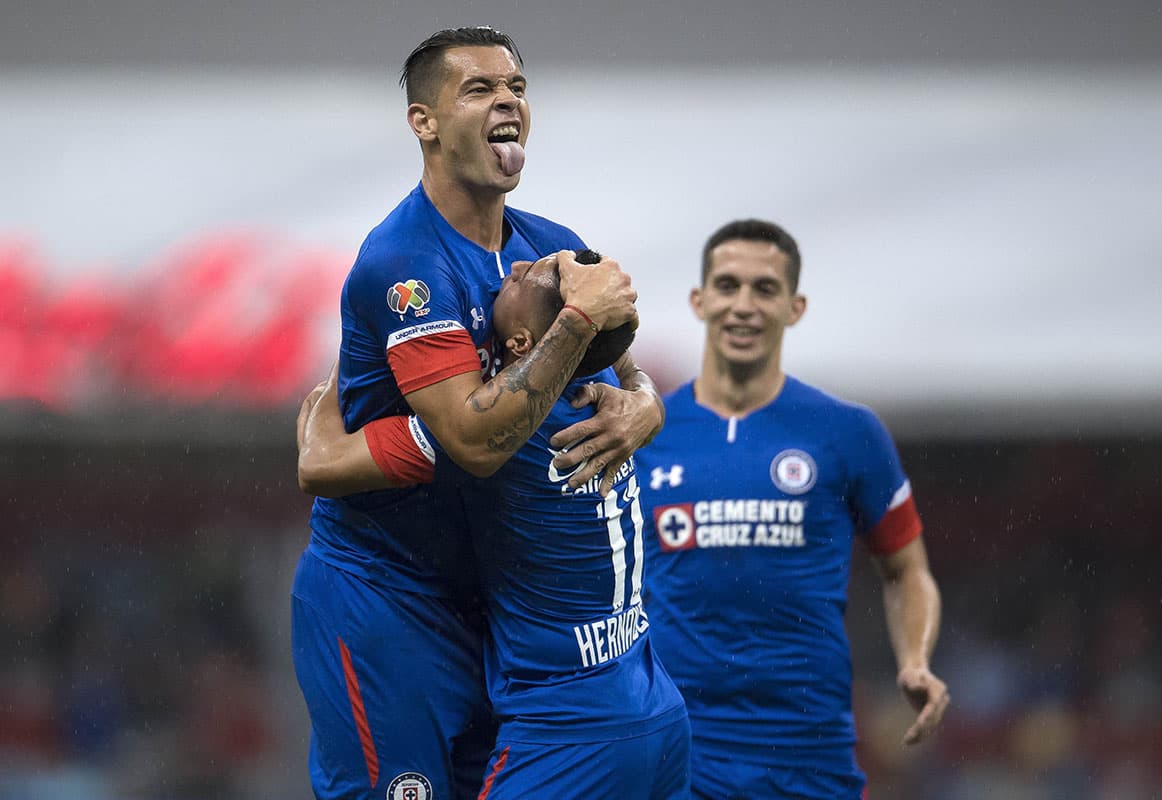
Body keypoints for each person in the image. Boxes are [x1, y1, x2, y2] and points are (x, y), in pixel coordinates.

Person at [290, 27, 664, 800]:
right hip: (386, 597)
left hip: (492, 606)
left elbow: (629, 373)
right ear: (423, 121)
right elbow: (474, 441)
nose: (507, 103)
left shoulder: (550, 245)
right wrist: (574, 325)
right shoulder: (405, 265)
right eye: (480, 89)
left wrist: (647, 408)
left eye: (518, 89)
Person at [298, 250, 689, 799]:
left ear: (528, 345)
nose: (517, 267)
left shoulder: (498, 434)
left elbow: (320, 463)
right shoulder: (602, 397)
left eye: (532, 277)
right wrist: (648, 397)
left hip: (568, 732)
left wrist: (337, 382)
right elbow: (621, 361)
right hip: (652, 703)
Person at [635, 219, 949, 799]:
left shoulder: (847, 432)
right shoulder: (643, 432)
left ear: (795, 307)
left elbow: (907, 570)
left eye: (765, 289)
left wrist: (915, 660)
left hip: (807, 749)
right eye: (727, 286)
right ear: (699, 301)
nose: (744, 306)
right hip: (677, 745)